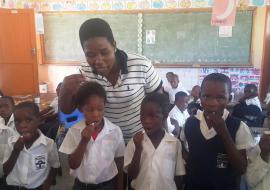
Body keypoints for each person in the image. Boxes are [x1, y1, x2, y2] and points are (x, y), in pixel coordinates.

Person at [59, 18, 162, 144]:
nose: (98, 60)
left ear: (114, 45)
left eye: (104, 52)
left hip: (140, 138)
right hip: (106, 141)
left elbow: (159, 100)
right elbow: (68, 110)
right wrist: (65, 90)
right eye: (90, 55)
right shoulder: (84, 72)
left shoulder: (140, 64)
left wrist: (159, 135)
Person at [180, 73, 255, 190]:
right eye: (206, 96)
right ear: (200, 96)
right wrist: (193, 162)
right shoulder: (190, 123)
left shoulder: (238, 127)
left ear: (229, 98)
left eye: (220, 97)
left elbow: (241, 168)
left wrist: (224, 132)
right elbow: (182, 145)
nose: (212, 103)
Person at [59, 81, 125, 190]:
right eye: (90, 110)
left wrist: (120, 187)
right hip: (81, 186)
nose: (96, 115)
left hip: (107, 186)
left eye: (100, 109)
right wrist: (83, 141)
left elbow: (119, 161)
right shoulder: (74, 131)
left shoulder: (115, 131)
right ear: (81, 109)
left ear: (105, 105)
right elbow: (73, 164)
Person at [124, 93, 185, 190]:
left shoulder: (174, 143)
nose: (146, 120)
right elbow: (131, 175)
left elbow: (178, 175)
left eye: (153, 116)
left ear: (165, 116)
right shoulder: (134, 142)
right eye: (142, 115)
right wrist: (138, 148)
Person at [3, 101, 60, 190]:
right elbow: (6, 170)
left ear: (38, 120)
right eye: (17, 121)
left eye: (28, 120)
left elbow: (54, 166)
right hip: (13, 187)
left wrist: (47, 185)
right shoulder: (11, 142)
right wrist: (16, 151)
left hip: (37, 187)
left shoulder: (48, 144)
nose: (22, 125)